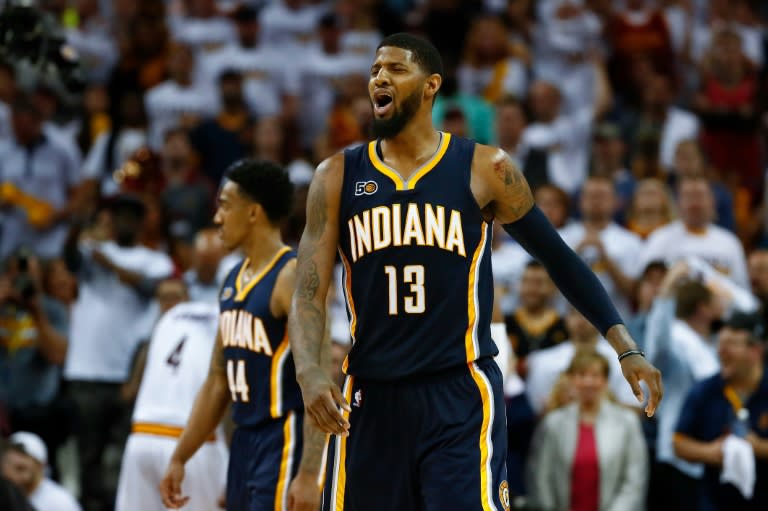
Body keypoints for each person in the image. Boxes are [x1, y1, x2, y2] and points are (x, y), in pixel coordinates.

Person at [288, 33, 662, 511]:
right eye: (375, 70)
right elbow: (307, 293)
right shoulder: (336, 175)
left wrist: (624, 345)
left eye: (396, 69)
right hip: (371, 393)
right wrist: (309, 372)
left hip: (458, 391)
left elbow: (560, 258)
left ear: (431, 86)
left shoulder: (485, 167)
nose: (379, 77)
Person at [159, 159, 328, 511]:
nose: (217, 218)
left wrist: (311, 473)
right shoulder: (232, 279)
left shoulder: (290, 276)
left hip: (285, 438)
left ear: (253, 213)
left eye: (225, 205)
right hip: (244, 442)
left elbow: (320, 379)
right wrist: (179, 456)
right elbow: (217, 381)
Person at [116, 295, 227, 511]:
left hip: (141, 434)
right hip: (193, 440)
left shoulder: (170, 317)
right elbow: (225, 390)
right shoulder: (235, 319)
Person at [526, 351, 649, 511]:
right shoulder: (553, 423)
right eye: (581, 375)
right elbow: (541, 475)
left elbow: (635, 478)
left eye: (595, 375)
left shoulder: (626, 422)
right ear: (571, 380)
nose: (588, 382)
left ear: (605, 380)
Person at [674, 312, 768, 510]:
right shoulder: (706, 390)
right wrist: (709, 452)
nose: (721, 351)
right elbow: (678, 442)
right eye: (720, 343)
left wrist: (760, 447)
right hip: (716, 501)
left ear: (756, 351)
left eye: (731, 344)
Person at [1, 431, 81, 511]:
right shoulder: (6, 495)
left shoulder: (60, 503)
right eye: (7, 466)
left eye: (21, 468)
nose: (10, 474)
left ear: (40, 467)